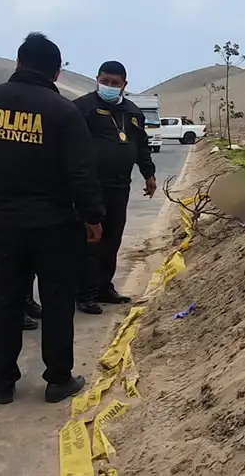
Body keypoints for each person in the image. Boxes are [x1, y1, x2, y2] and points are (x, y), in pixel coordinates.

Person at [0, 32, 104, 405]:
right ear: (56, 73)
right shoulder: (63, 112)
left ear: (19, 63)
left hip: (5, 222)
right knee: (57, 301)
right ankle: (58, 379)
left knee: (5, 299)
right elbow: (81, 173)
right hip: (55, 223)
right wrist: (93, 216)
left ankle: (2, 381)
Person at [73, 61, 157, 314]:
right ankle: (84, 294)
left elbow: (141, 145)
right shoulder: (81, 108)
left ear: (124, 85)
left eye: (114, 83)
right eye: (105, 81)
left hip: (120, 187)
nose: (108, 86)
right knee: (90, 239)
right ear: (97, 79)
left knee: (112, 239)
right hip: (90, 186)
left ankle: (103, 287)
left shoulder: (132, 112)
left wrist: (149, 174)